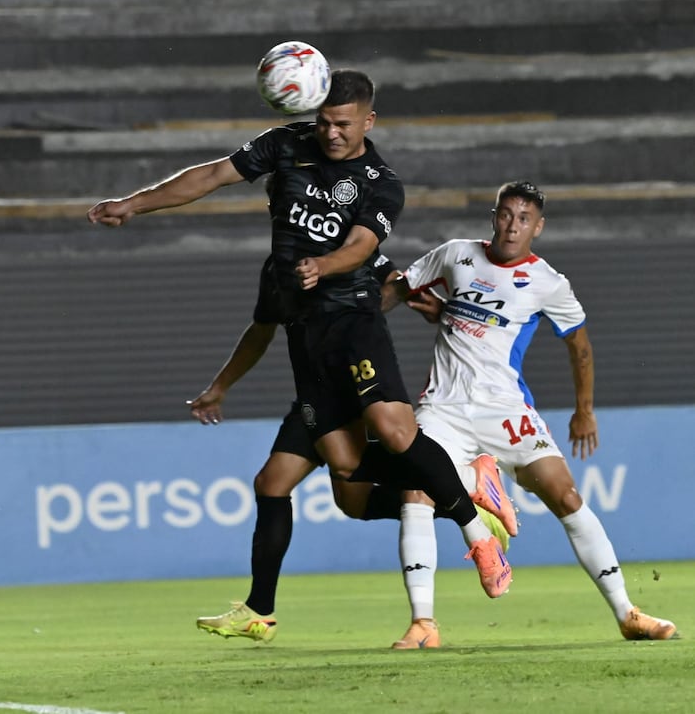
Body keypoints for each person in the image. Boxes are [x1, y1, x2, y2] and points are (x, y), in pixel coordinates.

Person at [87, 69, 512, 616]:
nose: (331, 132)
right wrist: (133, 203)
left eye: (343, 124)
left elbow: (362, 245)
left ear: (368, 121)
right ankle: (467, 482)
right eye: (324, 122)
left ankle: (478, 537)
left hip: (354, 320)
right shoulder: (285, 147)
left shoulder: (381, 182)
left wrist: (325, 266)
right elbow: (213, 174)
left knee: (394, 430)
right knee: (348, 479)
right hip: (306, 337)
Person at [380, 180, 677, 648]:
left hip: (505, 410)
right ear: (493, 216)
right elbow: (398, 290)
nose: (512, 226)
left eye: (523, 219)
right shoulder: (456, 254)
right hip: (444, 408)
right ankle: (423, 623)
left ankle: (628, 613)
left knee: (566, 495)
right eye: (505, 215)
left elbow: (580, 346)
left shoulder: (548, 283)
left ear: (538, 227)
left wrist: (584, 411)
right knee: (416, 491)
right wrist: (356, 315)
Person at [190, 252, 511, 643]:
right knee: (312, 492)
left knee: (341, 469)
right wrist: (220, 387)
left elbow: (395, 280)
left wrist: (404, 310)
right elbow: (261, 329)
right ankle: (260, 612)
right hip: (313, 387)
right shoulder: (278, 263)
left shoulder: (347, 241)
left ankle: (465, 484)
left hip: (351, 382)